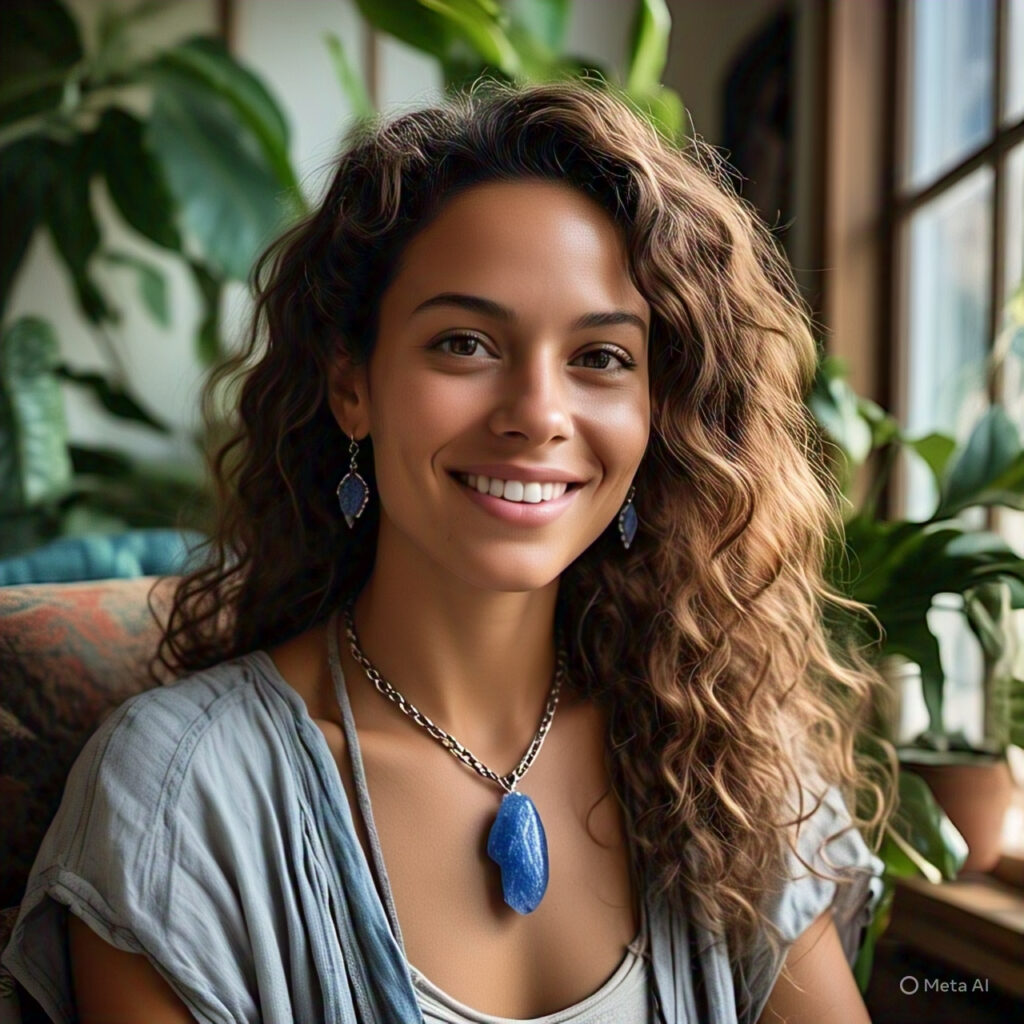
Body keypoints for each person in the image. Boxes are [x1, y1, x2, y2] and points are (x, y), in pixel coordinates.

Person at [2, 79, 892, 1024]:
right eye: (466, 343)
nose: (538, 416)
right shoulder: (181, 796)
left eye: (600, 358)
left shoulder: (731, 764)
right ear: (353, 385)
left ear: (654, 415)